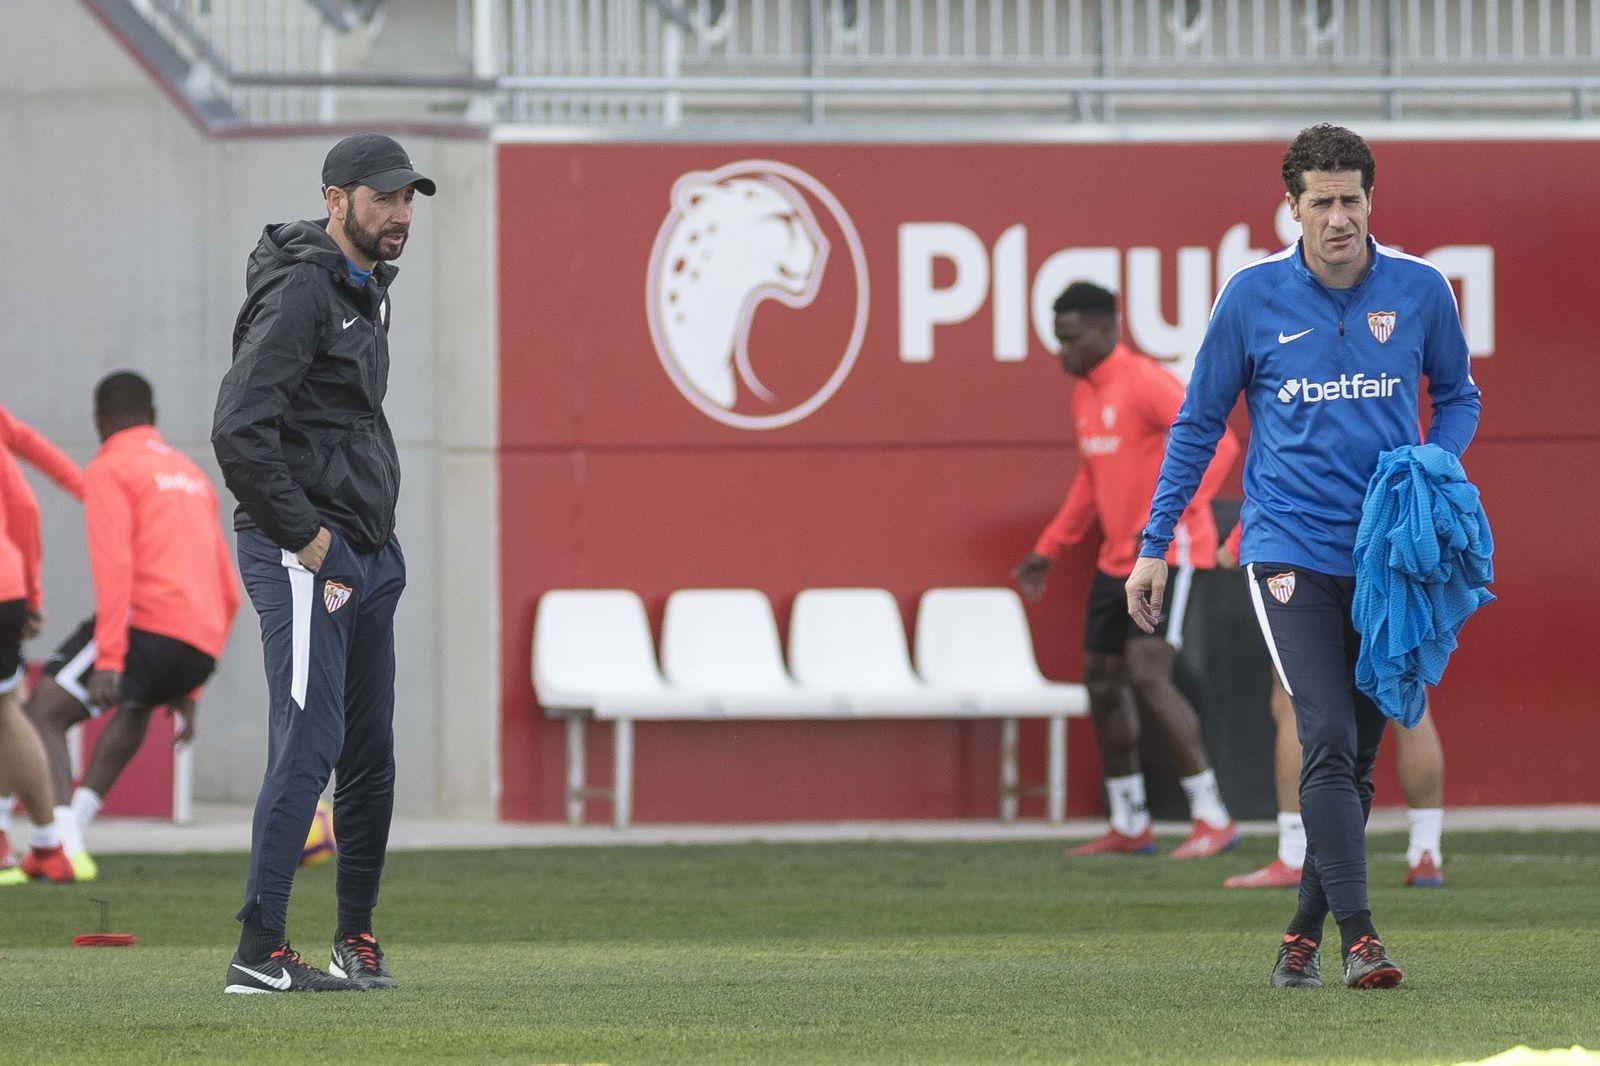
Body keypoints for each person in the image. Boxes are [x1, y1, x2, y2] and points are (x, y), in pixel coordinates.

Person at [1126, 124, 1481, 990]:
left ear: (1370, 201)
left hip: (1389, 560)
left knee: (1355, 759)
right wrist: (1153, 546)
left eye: (1349, 199)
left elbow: (1459, 396)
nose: (1336, 217)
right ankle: (1363, 938)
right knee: (1324, 733)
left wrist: (1436, 468)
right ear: (1291, 206)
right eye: (1318, 201)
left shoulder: (1423, 289)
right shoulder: (1249, 298)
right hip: (1286, 546)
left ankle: (1299, 937)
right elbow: (1197, 425)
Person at [212, 133, 434, 994]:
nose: (400, 214)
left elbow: (345, 426)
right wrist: (307, 538)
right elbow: (239, 428)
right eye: (383, 198)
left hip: (366, 553)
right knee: (307, 746)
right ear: (336, 198)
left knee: (370, 752)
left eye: (409, 199)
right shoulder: (304, 284)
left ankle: (355, 938)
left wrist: (375, 543)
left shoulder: (367, 286)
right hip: (308, 552)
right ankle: (259, 952)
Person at [1014, 282, 1240, 860]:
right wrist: (1049, 547)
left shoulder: (1144, 382)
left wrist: (1181, 512)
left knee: (1146, 675)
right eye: (1056, 339)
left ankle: (1212, 817)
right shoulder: (1084, 396)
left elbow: (1222, 445)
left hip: (1168, 556)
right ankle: (1131, 822)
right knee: (1101, 681)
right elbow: (1090, 481)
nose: (1060, 352)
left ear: (1106, 329)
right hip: (1115, 560)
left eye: (1070, 339)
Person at [24, 372, 239, 884]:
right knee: (136, 704)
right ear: (154, 415)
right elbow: (227, 585)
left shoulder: (111, 467)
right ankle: (74, 828)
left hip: (144, 625)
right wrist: (193, 684)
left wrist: (112, 657)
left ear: (99, 419)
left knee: (40, 714)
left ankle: (59, 844)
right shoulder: (190, 476)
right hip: (199, 643)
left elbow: (114, 567)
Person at [1218, 528, 1447, 890]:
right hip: (1391, 550)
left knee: (1294, 699)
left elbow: (1239, 547)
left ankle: (1294, 852)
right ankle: (1425, 852)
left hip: (1316, 554)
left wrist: (1236, 543)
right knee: (1409, 701)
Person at [0, 409, 85, 886]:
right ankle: (48, 846)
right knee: (6, 710)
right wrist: (30, 589)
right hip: (6, 584)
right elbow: (26, 498)